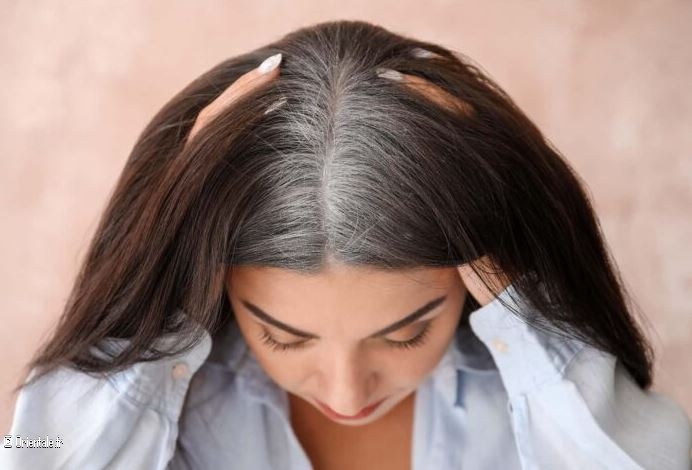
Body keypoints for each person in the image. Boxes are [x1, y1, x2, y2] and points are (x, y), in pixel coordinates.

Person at [1, 19, 690, 470]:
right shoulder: (167, 408)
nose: (346, 390)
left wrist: (498, 216)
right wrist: (172, 229)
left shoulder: (535, 408)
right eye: (285, 337)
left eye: (404, 334)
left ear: (472, 283)